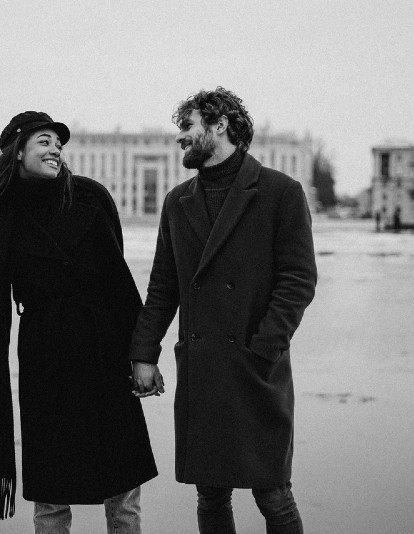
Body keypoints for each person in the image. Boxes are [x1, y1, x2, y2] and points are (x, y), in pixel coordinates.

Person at [0, 111, 157, 534]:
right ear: (17, 153)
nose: (55, 150)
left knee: (122, 492)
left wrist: (143, 355)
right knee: (51, 492)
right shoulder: (0, 220)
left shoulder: (90, 197)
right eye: (44, 141)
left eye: (58, 144)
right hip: (46, 355)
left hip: (104, 347)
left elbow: (119, 281)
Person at [129, 88, 317, 534]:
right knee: (210, 493)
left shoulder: (279, 192)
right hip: (204, 367)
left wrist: (265, 347)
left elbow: (298, 279)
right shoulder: (178, 202)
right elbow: (163, 285)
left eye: (188, 128)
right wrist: (143, 353)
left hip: (255, 368)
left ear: (220, 125)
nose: (181, 140)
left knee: (273, 493)